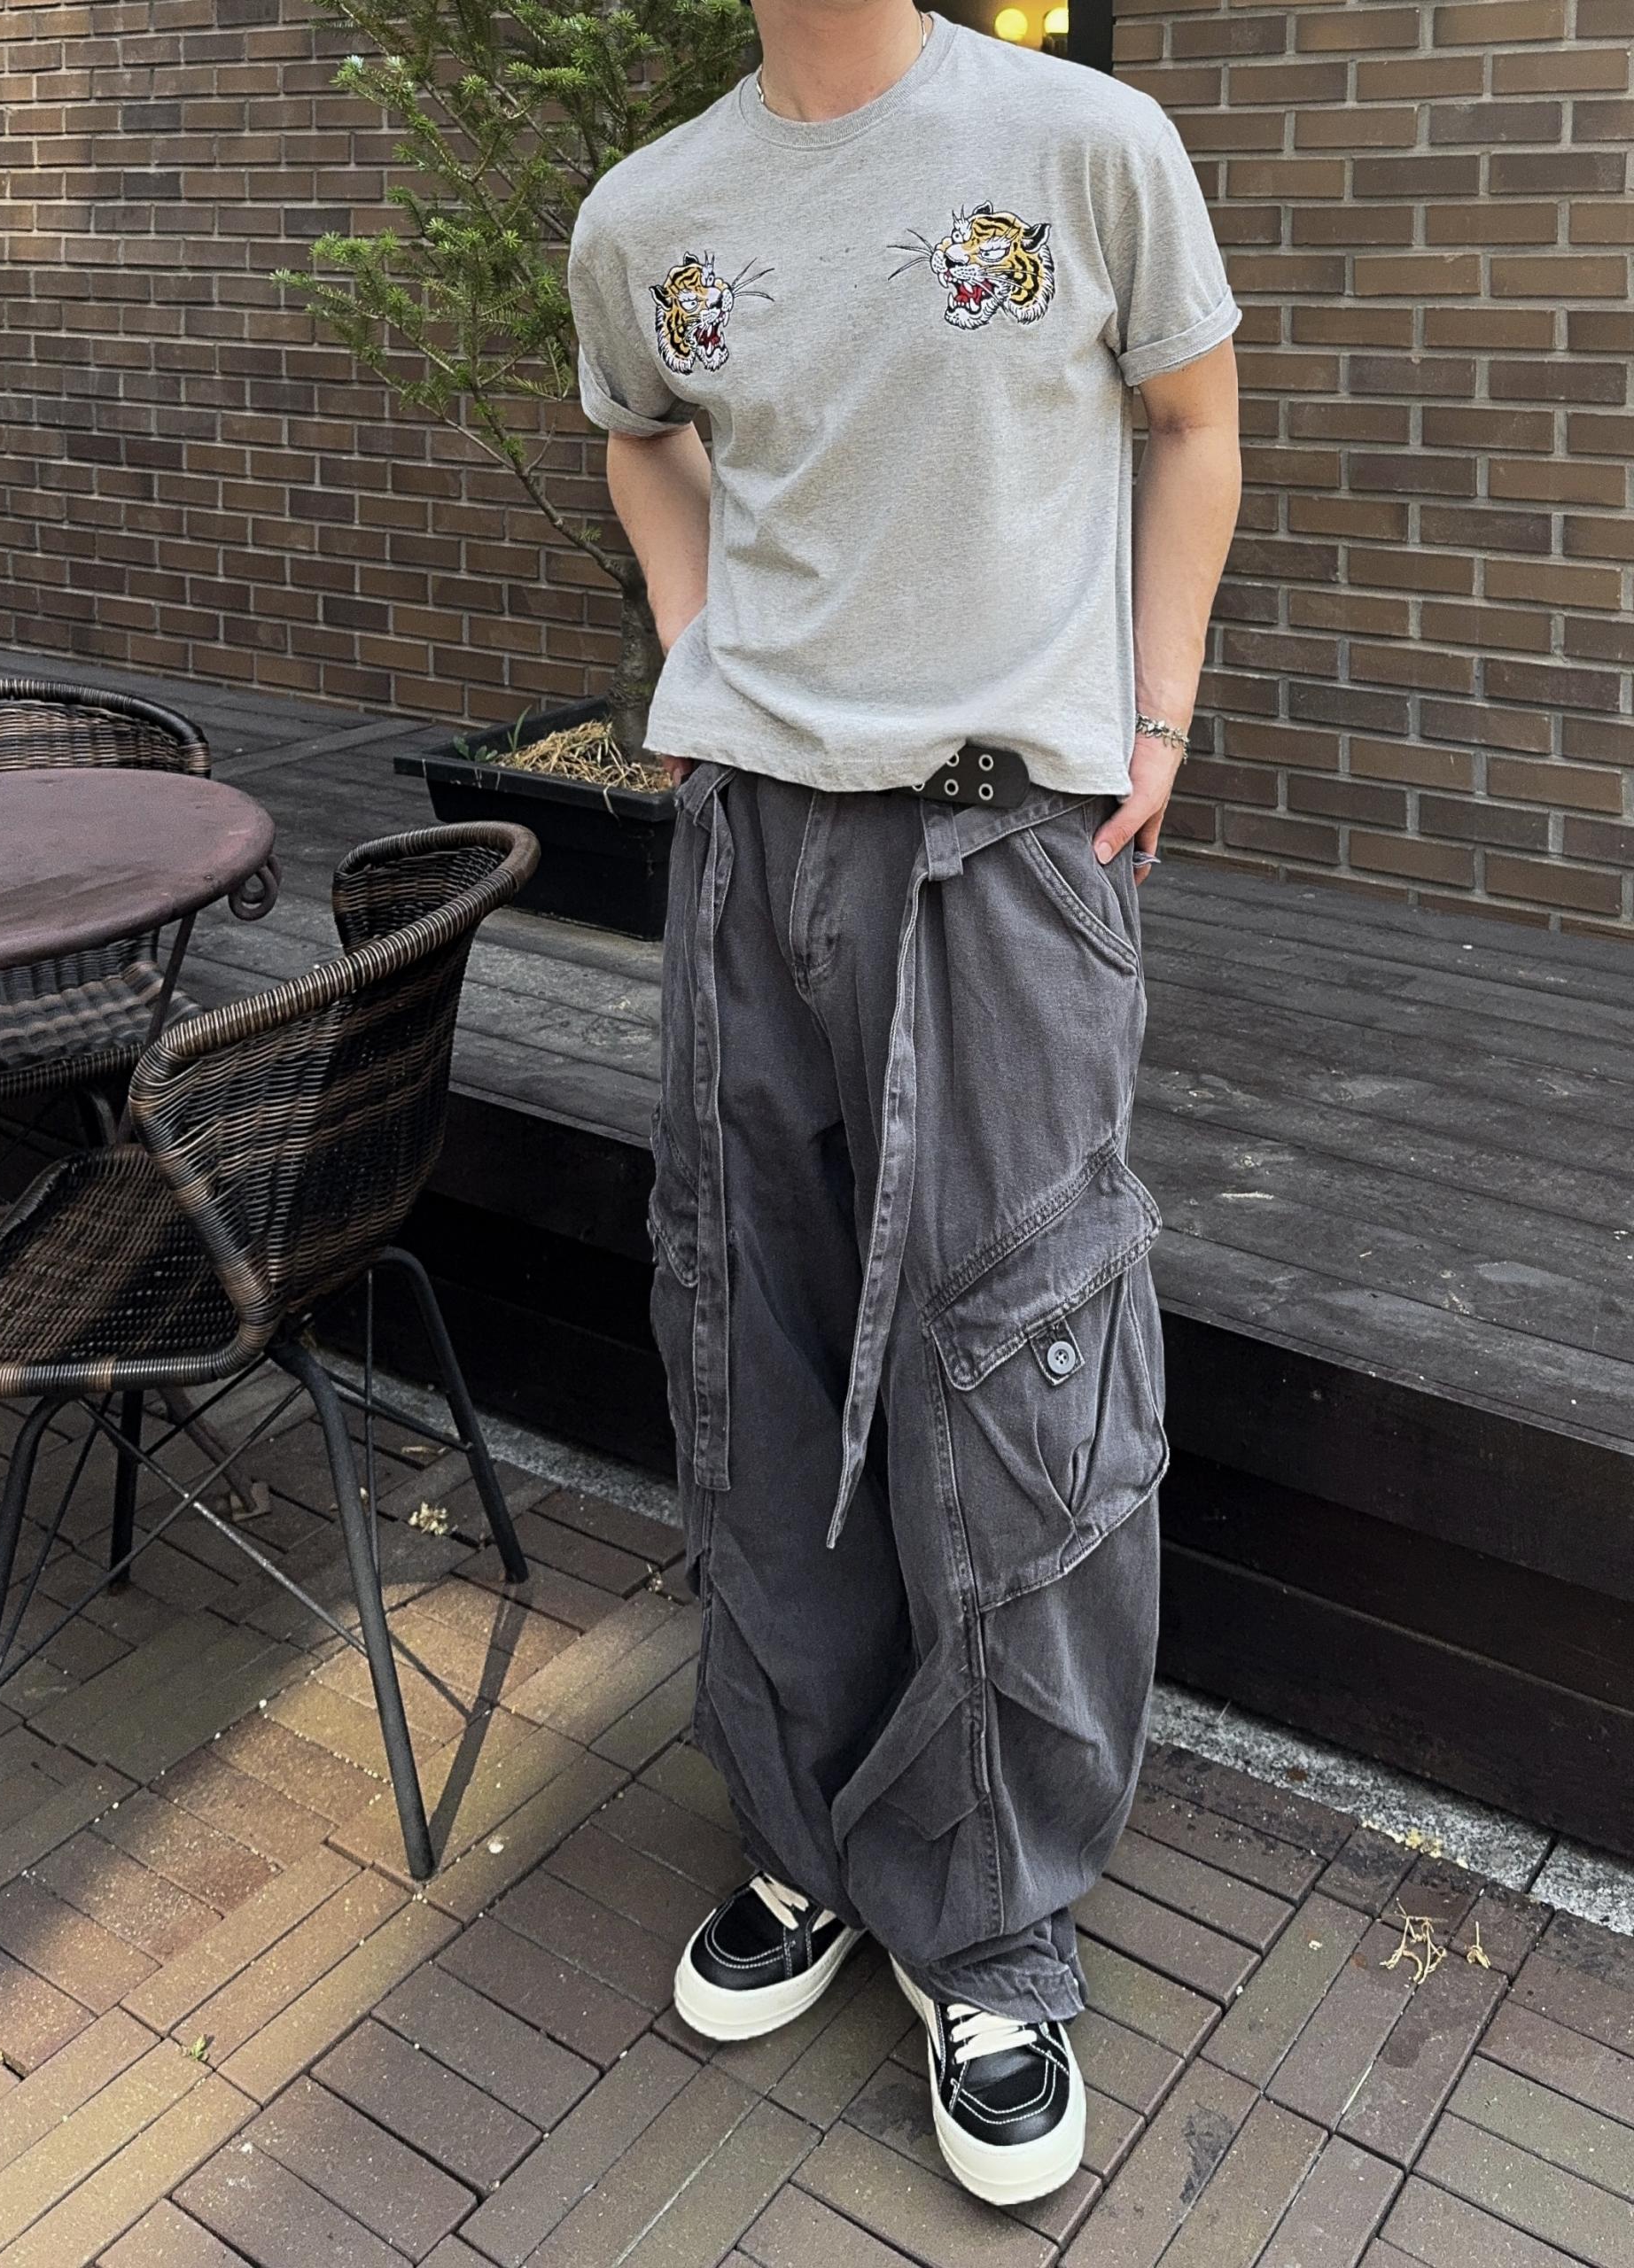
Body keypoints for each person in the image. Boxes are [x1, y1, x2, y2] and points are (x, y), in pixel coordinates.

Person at [566, 0, 1241, 2210]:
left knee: (1019, 1360)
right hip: (752, 845)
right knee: (747, 1333)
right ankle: (812, 1824)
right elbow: (643, 439)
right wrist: (697, 645)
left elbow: (1192, 418)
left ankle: (993, 1914)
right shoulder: (649, 213)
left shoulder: (1083, 142)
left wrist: (1157, 712)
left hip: (1003, 850)